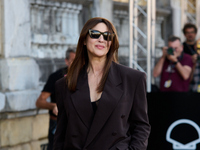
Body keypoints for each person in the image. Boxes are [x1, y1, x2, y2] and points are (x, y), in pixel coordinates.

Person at [53, 17, 150, 150]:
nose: (101, 39)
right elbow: (61, 134)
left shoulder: (133, 78)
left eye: (107, 36)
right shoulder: (64, 84)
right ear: (84, 40)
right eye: (95, 34)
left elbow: (141, 126)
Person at [36, 48, 76, 150]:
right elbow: (39, 102)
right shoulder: (56, 77)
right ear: (66, 61)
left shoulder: (87, 77)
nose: (77, 64)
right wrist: (53, 105)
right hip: (57, 125)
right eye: (73, 61)